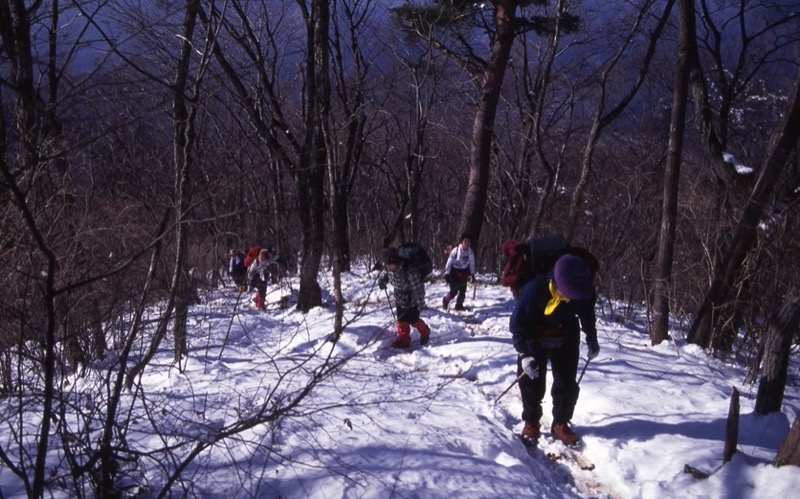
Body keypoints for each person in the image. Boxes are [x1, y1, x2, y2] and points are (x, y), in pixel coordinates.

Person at [509, 253, 600, 448]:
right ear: (558, 284)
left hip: (566, 332)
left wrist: (592, 338)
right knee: (531, 380)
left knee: (567, 382)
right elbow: (517, 324)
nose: (571, 298)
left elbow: (587, 313)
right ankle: (531, 422)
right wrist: (524, 354)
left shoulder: (584, 292)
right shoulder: (534, 290)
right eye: (569, 293)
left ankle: (561, 422)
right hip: (535, 333)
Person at [378, 249, 431, 348]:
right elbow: (386, 276)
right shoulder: (390, 270)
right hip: (399, 298)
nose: (387, 268)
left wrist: (421, 303)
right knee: (401, 320)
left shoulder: (409, 270)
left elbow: (417, 288)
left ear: (395, 262)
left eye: (389, 265)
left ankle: (425, 332)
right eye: (386, 266)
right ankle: (404, 341)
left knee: (413, 320)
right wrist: (382, 281)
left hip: (412, 299)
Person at [443, 233, 476, 310]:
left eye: (469, 242)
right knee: (453, 291)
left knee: (462, 291)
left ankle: (459, 305)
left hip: (464, 272)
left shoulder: (470, 252)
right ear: (462, 242)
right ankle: (445, 300)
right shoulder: (456, 250)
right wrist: (447, 274)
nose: (467, 244)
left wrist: (472, 274)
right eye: (465, 242)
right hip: (454, 272)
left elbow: (472, 264)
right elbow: (449, 262)